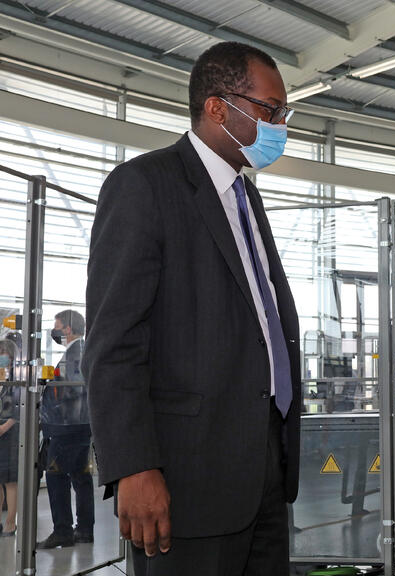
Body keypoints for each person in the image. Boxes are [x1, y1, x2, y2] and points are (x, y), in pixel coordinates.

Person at [84, 41, 302, 575]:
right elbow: (114, 342)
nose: (280, 124)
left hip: (264, 472)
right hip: (186, 481)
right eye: (271, 110)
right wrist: (134, 466)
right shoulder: (145, 185)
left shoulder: (246, 198)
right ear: (217, 108)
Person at [38, 309, 93, 548]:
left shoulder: (75, 354)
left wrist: (50, 384)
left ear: (68, 329)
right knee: (81, 478)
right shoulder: (82, 352)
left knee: (55, 476)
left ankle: (62, 530)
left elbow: (71, 392)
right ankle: (84, 530)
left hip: (66, 427)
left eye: (57, 325)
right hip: (80, 427)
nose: (55, 329)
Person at [0, 338, 19, 536]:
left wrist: (4, 428)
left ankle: (10, 521)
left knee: (10, 481)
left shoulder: (17, 380)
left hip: (10, 435)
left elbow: (18, 410)